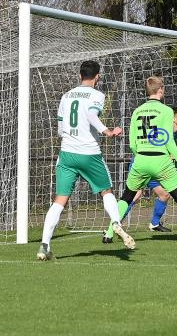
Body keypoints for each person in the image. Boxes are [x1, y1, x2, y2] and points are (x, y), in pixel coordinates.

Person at [37, 60, 135, 261]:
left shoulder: (67, 95)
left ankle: (44, 245)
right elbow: (91, 114)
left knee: (59, 201)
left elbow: (60, 127)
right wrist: (106, 131)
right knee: (106, 191)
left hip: (67, 154)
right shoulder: (97, 94)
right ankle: (116, 222)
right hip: (89, 153)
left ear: (79, 75)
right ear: (97, 76)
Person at [114, 76, 177, 246]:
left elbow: (134, 144)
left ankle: (148, 224)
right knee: (173, 197)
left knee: (159, 194)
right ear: (161, 90)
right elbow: (168, 143)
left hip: (142, 160)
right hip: (156, 163)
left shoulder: (138, 111)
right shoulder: (165, 114)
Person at [101, 107, 177, 243]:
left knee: (164, 195)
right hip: (143, 165)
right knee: (135, 196)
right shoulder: (164, 129)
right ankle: (111, 229)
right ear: (173, 118)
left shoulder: (170, 131)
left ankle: (154, 224)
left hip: (156, 168)